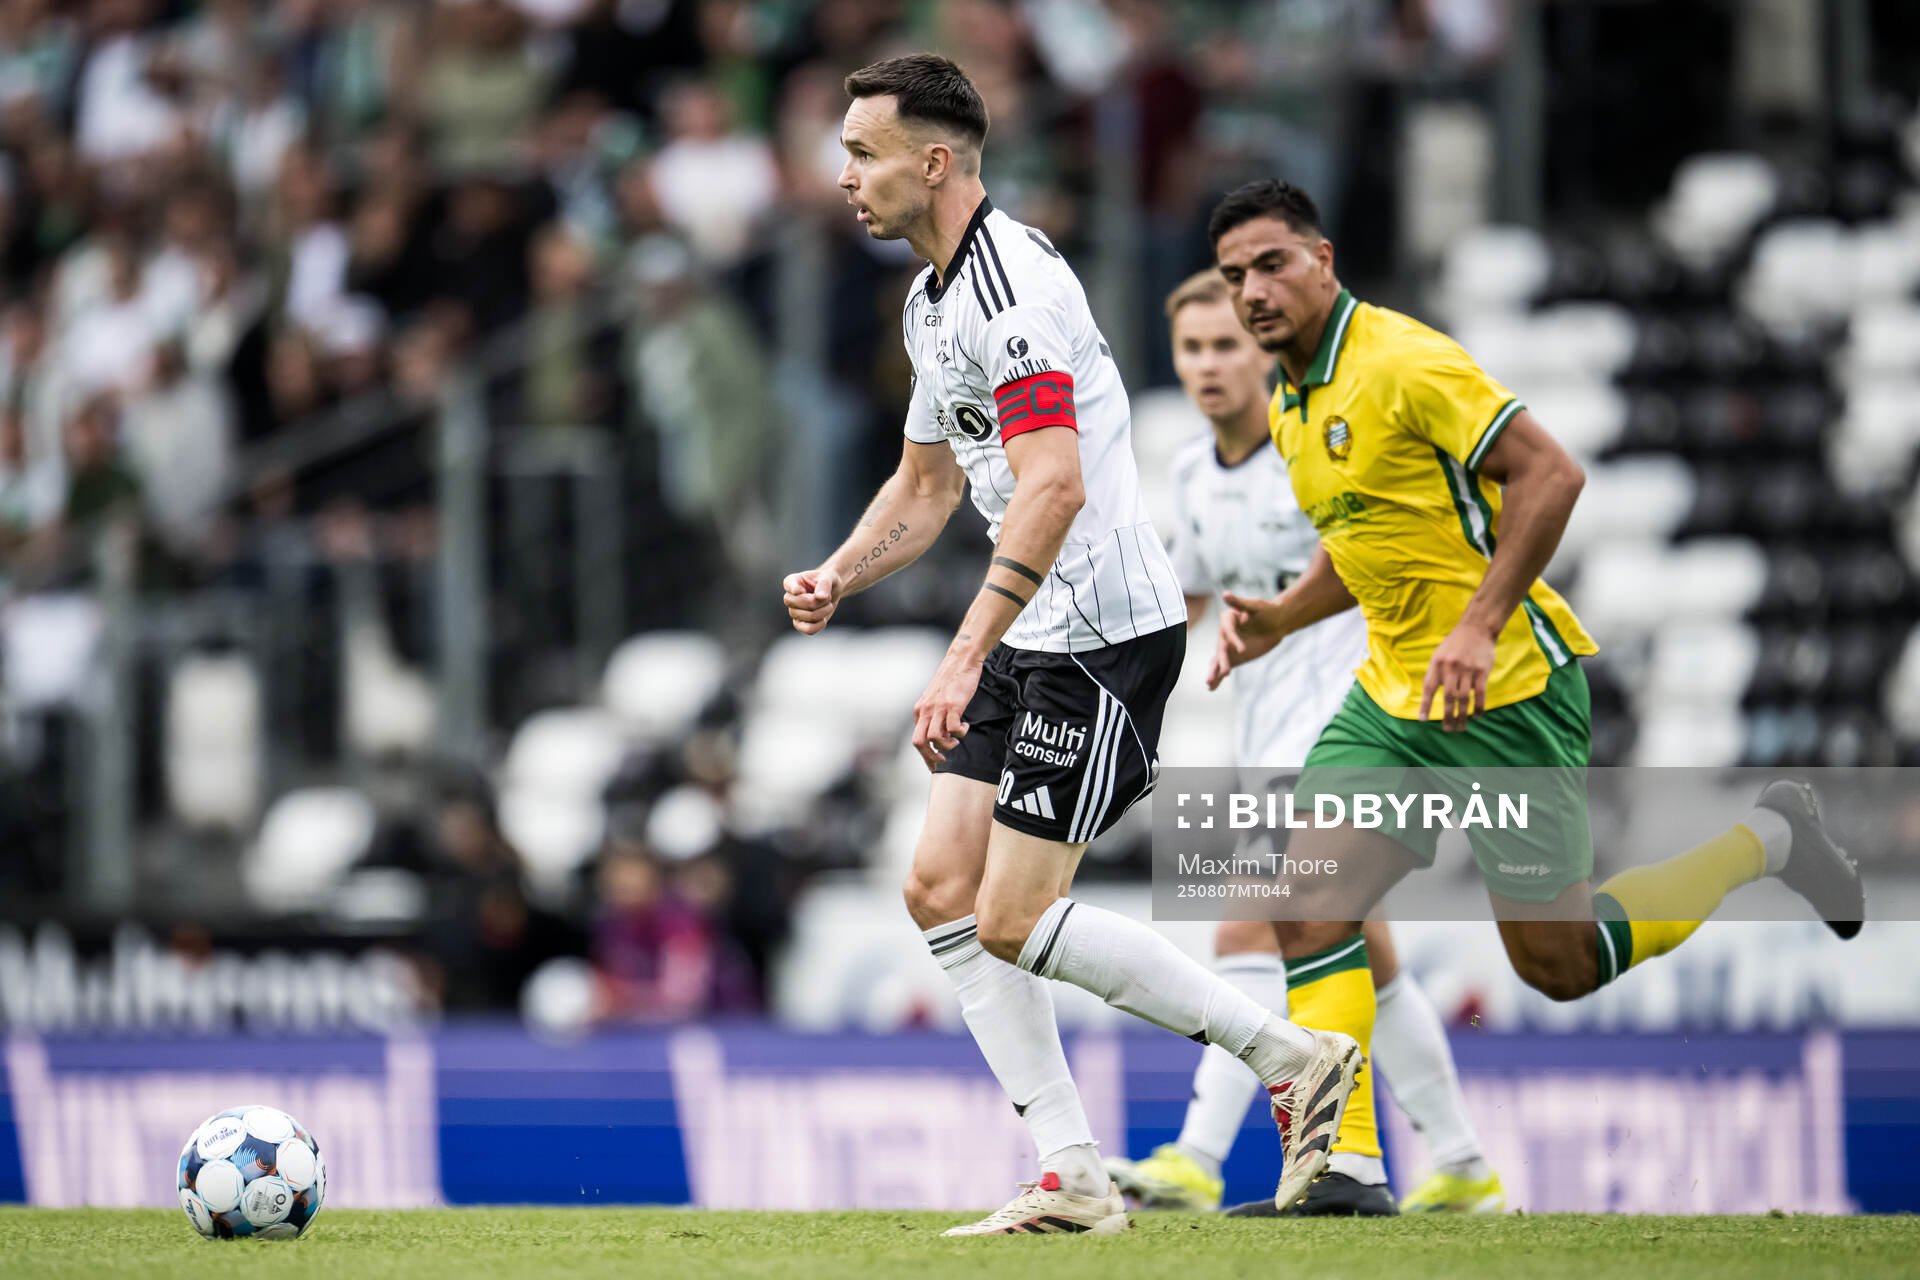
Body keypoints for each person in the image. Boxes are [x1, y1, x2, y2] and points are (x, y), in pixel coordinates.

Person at [781, 57, 1360, 1237]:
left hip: (1099, 631)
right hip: (1039, 623)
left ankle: (1293, 1056)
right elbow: (929, 480)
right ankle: (1074, 1174)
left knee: (1009, 912)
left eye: (863, 152)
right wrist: (842, 569)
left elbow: (1050, 489)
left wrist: (958, 656)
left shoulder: (1011, 296)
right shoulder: (929, 298)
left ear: (934, 162)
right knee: (938, 886)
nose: (843, 175)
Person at [1203, 179, 1864, 1204]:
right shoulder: (1291, 395)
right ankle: (1344, 1163)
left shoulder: (1403, 360)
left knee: (1558, 962)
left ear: (1323, 260)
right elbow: (1372, 541)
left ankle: (1771, 838)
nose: (1252, 289)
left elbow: (1550, 473)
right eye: (1234, 273)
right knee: (1306, 894)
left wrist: (1476, 623)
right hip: (1395, 698)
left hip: (1508, 689)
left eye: (1271, 263)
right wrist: (1287, 615)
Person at [1103, 269, 1502, 1217]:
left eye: (1225, 346)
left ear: (1262, 348)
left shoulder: (1314, 447)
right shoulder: (1197, 473)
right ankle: (1464, 1163)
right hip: (1266, 730)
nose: (1207, 366)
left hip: (1354, 719)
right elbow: (1190, 596)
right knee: (1363, 951)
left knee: (1249, 921)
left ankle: (1197, 1160)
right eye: (1191, 350)